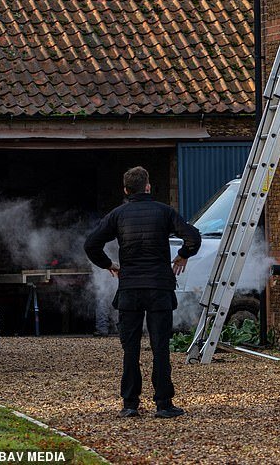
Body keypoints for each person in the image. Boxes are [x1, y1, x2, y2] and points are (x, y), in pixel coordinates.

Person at [84, 166, 201, 419]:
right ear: (148, 187)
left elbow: (91, 244)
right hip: (159, 287)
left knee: (131, 349)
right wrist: (183, 255)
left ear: (126, 190)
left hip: (130, 288)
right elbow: (193, 237)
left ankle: (130, 404)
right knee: (160, 347)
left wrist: (108, 264)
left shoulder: (118, 215)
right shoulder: (165, 212)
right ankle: (163, 404)